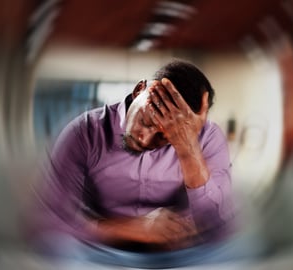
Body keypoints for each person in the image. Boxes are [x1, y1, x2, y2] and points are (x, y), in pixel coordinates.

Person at [28, 59, 238, 255]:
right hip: (101, 251)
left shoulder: (207, 137)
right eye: (146, 121)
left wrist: (188, 147)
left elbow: (219, 226)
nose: (145, 139)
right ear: (139, 90)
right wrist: (131, 229)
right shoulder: (84, 133)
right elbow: (47, 223)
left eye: (166, 136)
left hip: (178, 256)